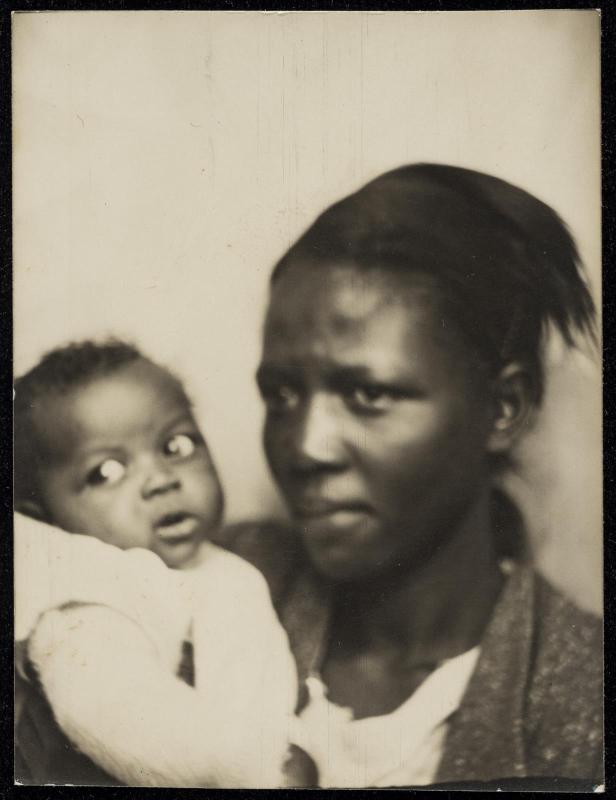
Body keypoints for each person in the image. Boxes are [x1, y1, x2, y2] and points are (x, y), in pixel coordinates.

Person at [14, 164, 603, 787]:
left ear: (504, 408)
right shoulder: (182, 577)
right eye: (283, 395)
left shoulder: (583, 695)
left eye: (368, 394)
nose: (304, 446)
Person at [14, 340, 301, 788]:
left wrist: (289, 748)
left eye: (176, 446)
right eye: (106, 472)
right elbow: (118, 716)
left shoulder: (231, 572)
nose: (161, 480)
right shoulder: (83, 598)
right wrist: (262, 770)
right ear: (45, 517)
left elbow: (262, 696)